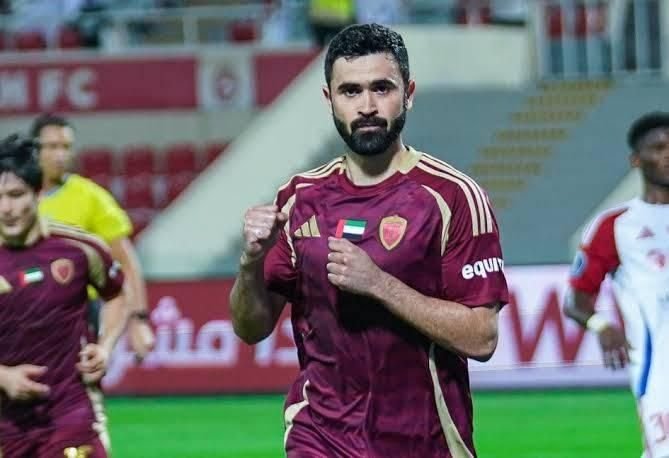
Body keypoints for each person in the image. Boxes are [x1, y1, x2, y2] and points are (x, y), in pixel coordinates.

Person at [230, 23, 509, 457]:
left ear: (408, 93)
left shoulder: (453, 196)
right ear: (330, 99)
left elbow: (482, 338)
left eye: (382, 88)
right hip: (319, 435)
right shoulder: (299, 198)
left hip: (425, 440)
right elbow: (251, 328)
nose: (367, 106)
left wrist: (379, 284)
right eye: (351, 91)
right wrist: (249, 264)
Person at [0, 134, 128, 457]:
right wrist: (3, 377)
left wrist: (105, 347)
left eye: (16, 195)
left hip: (71, 414)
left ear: (37, 193)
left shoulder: (80, 248)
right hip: (6, 426)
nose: (6, 209)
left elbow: (116, 294)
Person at [565, 111, 669, 458]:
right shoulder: (617, 226)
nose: (668, 155)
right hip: (660, 376)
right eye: (659, 148)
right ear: (636, 160)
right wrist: (601, 325)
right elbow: (576, 300)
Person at [30, 113, 155, 359]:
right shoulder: (15, 197)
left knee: (81, 377)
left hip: (79, 311)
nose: (60, 155)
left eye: (66, 147)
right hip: (23, 307)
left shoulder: (91, 197)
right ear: (35, 150)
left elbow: (126, 261)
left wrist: (139, 319)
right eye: (52, 147)